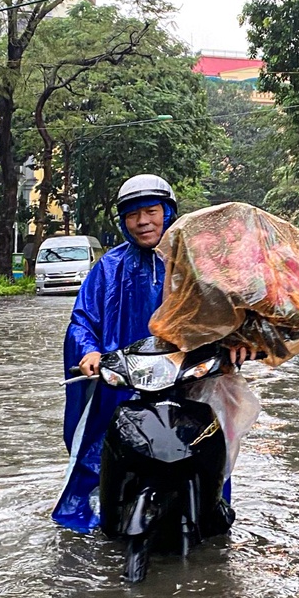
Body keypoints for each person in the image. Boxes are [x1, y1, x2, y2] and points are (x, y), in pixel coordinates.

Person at [55, 174, 178, 533]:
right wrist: (89, 351)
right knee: (97, 447)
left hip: (182, 379)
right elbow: (81, 320)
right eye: (133, 215)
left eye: (151, 211)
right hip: (121, 381)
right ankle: (96, 508)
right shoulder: (108, 267)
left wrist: (237, 345)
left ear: (168, 212)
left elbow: (221, 312)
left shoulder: (191, 263)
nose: (143, 222)